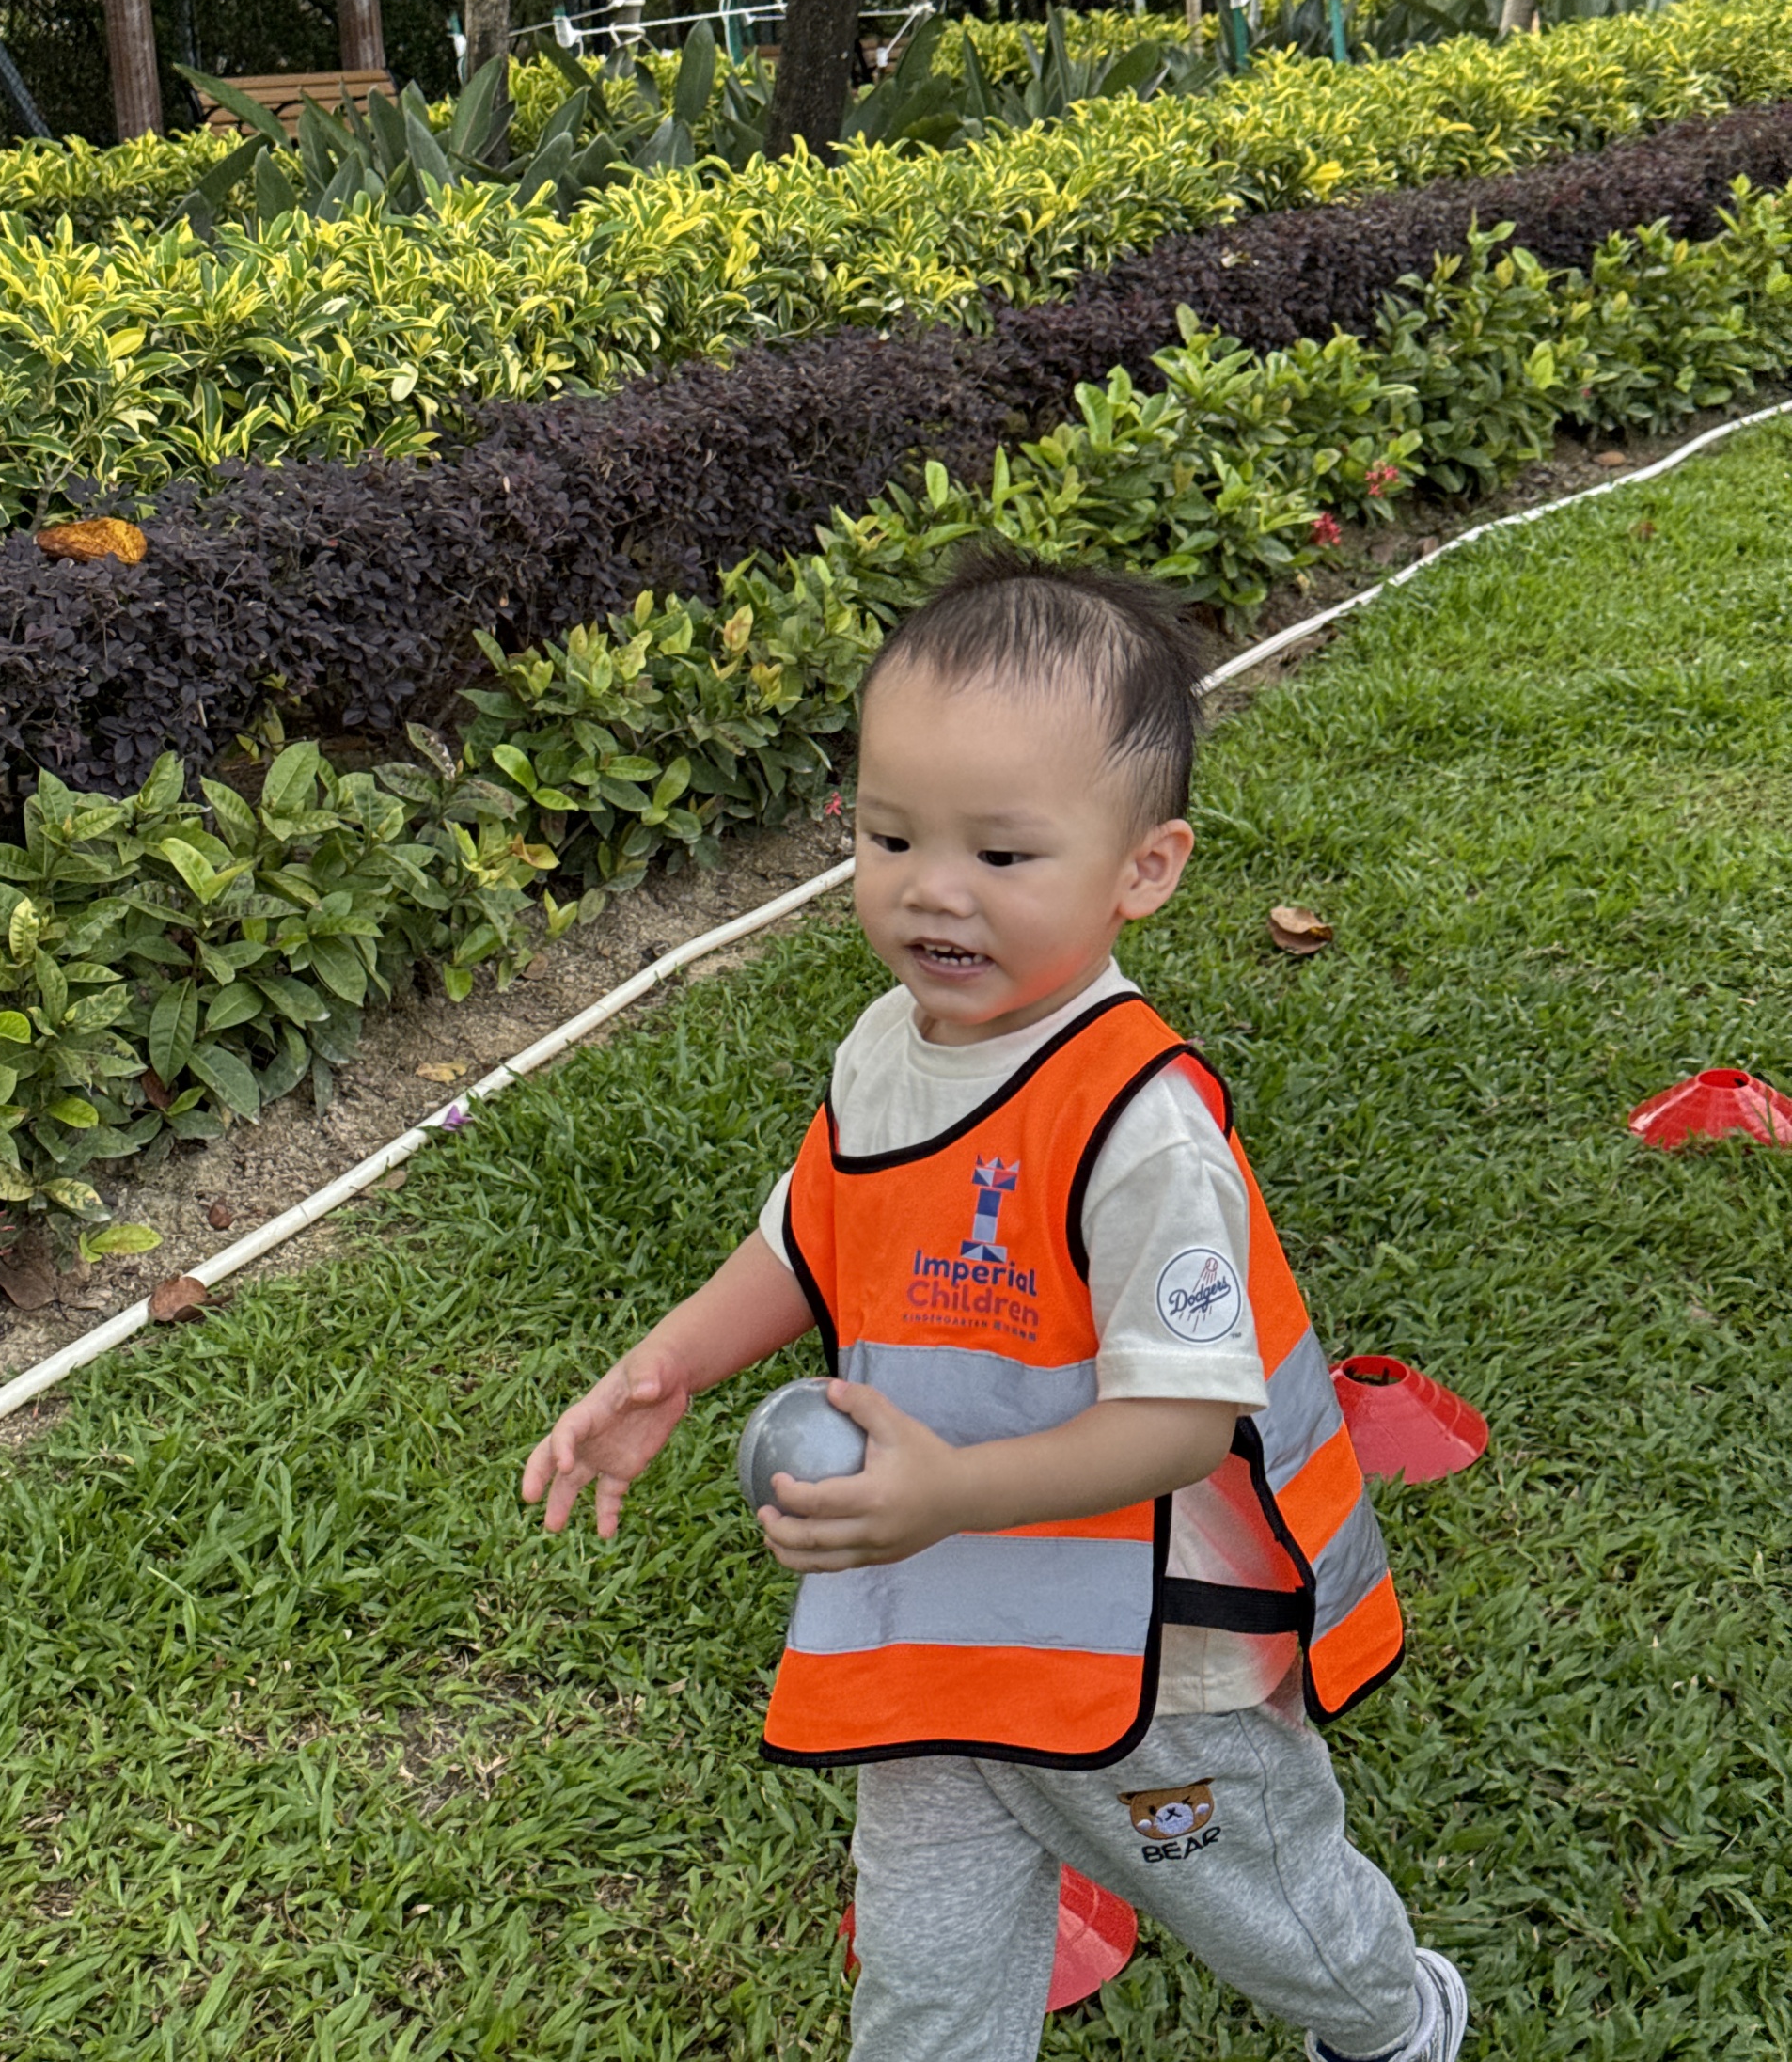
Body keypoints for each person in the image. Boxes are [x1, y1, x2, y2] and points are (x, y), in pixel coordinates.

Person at [523, 544, 1468, 2062]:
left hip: (1160, 1659)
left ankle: (1398, 2021)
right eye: (890, 835)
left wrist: (948, 1494)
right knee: (927, 1990)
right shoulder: (883, 1049)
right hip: (942, 1623)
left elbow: (1180, 1425)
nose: (932, 889)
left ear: (1144, 870)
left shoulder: (1138, 1126)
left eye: (1004, 854)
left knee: (1279, 1925)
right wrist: (671, 1365)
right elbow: (814, 1235)